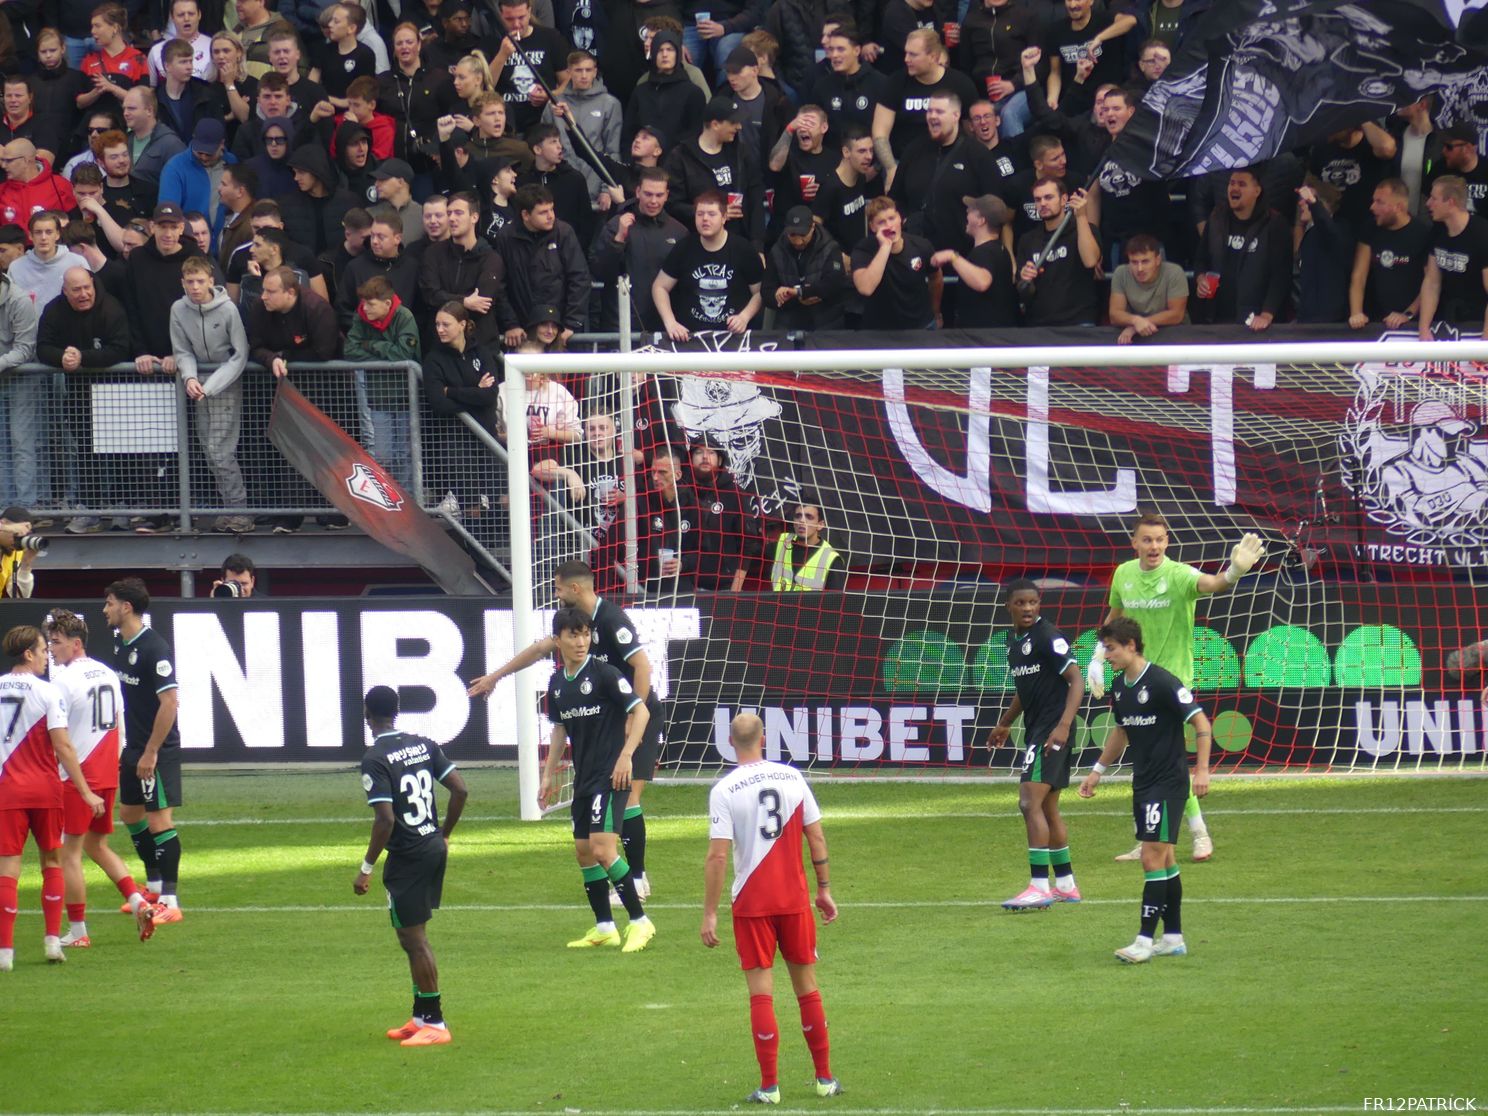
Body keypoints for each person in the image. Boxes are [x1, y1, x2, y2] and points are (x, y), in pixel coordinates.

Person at [468, 559, 667, 899]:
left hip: (638, 714)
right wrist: (495, 677)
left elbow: (642, 666)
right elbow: (539, 649)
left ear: (575, 589)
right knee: (616, 798)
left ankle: (637, 879)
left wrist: (634, 715)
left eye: (558, 588)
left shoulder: (612, 619)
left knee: (628, 795)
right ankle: (626, 878)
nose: (556, 594)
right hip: (610, 721)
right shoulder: (579, 624)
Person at [1086, 513, 1265, 863]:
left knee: (1165, 758)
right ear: (1134, 542)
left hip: (1171, 680)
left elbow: (1213, 585)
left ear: (1167, 542)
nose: (1154, 546)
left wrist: (1235, 572)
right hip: (1135, 676)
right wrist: (1096, 656)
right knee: (1148, 756)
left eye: (1160, 540)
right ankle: (1153, 834)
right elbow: (1114, 617)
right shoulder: (1124, 574)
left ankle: (1197, 834)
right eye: (1147, 540)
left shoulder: (1179, 574)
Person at [700, 709, 840, 1104]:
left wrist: (710, 913)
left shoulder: (725, 789)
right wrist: (824, 889)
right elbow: (817, 838)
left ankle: (770, 1087)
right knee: (808, 990)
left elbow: (717, 858)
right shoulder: (793, 777)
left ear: (730, 742)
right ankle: (825, 1079)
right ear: (764, 738)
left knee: (761, 994)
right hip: (794, 900)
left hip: (751, 903)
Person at [1079, 616, 1212, 964]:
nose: (1106, 656)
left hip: (1169, 782)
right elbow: (1121, 732)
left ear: (1131, 646)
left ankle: (1143, 940)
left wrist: (1201, 770)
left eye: (1111, 649)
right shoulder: (1121, 686)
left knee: (1151, 857)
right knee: (1165, 860)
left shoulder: (1163, 682)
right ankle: (1173, 938)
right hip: (1144, 782)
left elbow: (1201, 722)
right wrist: (1097, 772)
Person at [538, 605, 656, 953]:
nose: (581, 641)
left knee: (604, 850)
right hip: (585, 778)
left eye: (586, 634)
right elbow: (560, 731)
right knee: (584, 853)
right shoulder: (557, 684)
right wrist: (548, 775)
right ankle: (605, 926)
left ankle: (639, 921)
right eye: (574, 635)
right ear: (558, 640)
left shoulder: (604, 673)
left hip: (611, 775)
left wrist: (626, 755)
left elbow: (642, 710)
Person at [355, 684, 468, 1046]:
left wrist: (366, 868)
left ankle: (435, 1024)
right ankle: (421, 1016)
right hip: (432, 845)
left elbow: (385, 820)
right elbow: (461, 790)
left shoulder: (375, 758)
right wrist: (444, 834)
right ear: (397, 710)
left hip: (409, 856)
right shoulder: (424, 744)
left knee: (415, 939)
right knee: (410, 936)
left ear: (366, 714)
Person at [43, 609, 158, 948]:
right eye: (50, 642)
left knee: (69, 854)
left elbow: (56, 733)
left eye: (57, 642)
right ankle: (138, 901)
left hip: (78, 775)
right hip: (107, 771)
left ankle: (78, 932)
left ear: (76, 644)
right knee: (97, 844)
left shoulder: (62, 682)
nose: (52, 649)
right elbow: (119, 726)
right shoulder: (107, 673)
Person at [0, 624, 108, 970]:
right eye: (44, 651)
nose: (48, 657)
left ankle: (5, 951)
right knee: (51, 863)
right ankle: (51, 942)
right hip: (45, 790)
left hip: (7, 789)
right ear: (28, 653)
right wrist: (85, 790)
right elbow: (62, 746)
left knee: (8, 869)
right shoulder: (48, 693)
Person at [987, 578, 1084, 910]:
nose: (1028, 608)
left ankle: (1040, 887)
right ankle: (1067, 885)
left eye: (1033, 602)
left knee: (1029, 802)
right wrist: (1005, 722)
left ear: (1039, 604)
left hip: (1050, 731)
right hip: (1039, 728)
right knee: (1047, 806)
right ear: (1009, 606)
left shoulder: (1047, 636)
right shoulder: (1016, 643)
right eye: (1021, 603)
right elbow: (1025, 689)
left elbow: (1076, 680)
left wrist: (1063, 725)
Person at [103, 578, 185, 923]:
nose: (104, 609)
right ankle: (152, 886)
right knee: (130, 815)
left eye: (109, 603)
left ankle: (171, 901)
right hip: (134, 745)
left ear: (126, 607)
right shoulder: (121, 643)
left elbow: (170, 703)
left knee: (158, 820)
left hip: (156, 749)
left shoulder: (155, 648)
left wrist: (152, 752)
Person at [172, 255, 254, 535]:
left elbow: (239, 355)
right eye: (190, 282)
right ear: (183, 283)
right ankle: (228, 508)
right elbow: (182, 350)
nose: (195, 287)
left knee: (222, 451)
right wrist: (190, 377)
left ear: (211, 281)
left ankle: (239, 511)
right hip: (197, 384)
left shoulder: (228, 309)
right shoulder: (178, 309)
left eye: (200, 281)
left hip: (225, 383)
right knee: (209, 450)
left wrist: (211, 386)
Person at [654, 189, 763, 340]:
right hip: (691, 340)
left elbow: (760, 292)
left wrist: (744, 317)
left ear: (724, 217)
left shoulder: (743, 249)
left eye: (712, 214)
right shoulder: (684, 247)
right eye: (700, 214)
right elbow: (660, 287)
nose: (705, 219)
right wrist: (670, 322)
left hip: (733, 341)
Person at [589, 165, 686, 332]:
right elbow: (600, 272)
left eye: (659, 195)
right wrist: (619, 239)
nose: (653, 201)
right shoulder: (615, 225)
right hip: (621, 325)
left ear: (667, 196)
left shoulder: (679, 232)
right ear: (638, 191)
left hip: (664, 326)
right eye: (648, 194)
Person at [1191, 168, 1291, 331]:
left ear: (1257, 191)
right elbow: (1201, 260)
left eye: (1242, 184)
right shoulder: (1217, 217)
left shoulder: (1275, 223)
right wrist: (1201, 279)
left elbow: (1281, 276)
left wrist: (1267, 314)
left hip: (1256, 321)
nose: (1235, 188)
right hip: (1217, 318)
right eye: (1232, 183)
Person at [345, 274, 420, 490]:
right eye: (364, 303)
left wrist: (371, 345)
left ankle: (407, 501)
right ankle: (388, 498)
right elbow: (351, 351)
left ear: (387, 303)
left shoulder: (404, 316)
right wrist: (386, 351)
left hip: (406, 396)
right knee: (383, 455)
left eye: (371, 304)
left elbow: (404, 353)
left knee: (405, 454)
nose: (365, 308)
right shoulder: (360, 317)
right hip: (378, 397)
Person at [492, 184, 590, 346]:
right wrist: (511, 324)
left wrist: (571, 323)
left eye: (551, 209)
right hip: (522, 332)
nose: (550, 216)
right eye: (543, 212)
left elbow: (579, 278)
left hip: (560, 330)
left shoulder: (564, 233)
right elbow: (499, 285)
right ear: (525, 215)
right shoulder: (506, 237)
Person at [1349, 178, 1431, 330]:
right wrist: (1356, 313)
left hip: (1412, 322)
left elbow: (1431, 282)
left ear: (1398, 207)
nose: (1372, 207)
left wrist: (1407, 314)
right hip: (1375, 318)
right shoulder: (1370, 228)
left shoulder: (1422, 233)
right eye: (1373, 201)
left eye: (1379, 202)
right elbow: (1359, 275)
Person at [1016, 178, 1100, 326]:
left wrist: (1081, 216)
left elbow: (1090, 261)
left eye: (1048, 197)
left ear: (1064, 199)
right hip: (1039, 324)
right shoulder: (1027, 240)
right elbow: (1022, 291)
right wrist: (1025, 279)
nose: (1042, 203)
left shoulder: (1085, 230)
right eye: (1038, 199)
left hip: (1078, 321)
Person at [851, 196, 940, 331]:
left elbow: (936, 278)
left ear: (900, 218)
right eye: (881, 222)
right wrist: (885, 247)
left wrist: (935, 312)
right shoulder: (863, 250)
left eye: (892, 218)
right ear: (872, 227)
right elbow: (865, 288)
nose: (888, 225)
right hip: (881, 331)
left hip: (921, 326)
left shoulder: (921, 245)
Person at [1416, 175, 1488, 340]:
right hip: (1448, 318)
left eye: (1434, 198)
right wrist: (1424, 328)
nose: (1428, 203)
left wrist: (1486, 338)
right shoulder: (1437, 232)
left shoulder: (1482, 235)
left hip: (1478, 321)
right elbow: (1432, 283)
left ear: (1450, 203)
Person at [931, 193, 1019, 328]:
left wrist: (952, 256)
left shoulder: (984, 252)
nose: (966, 212)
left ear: (981, 220)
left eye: (971, 210)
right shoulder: (1000, 250)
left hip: (983, 338)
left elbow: (982, 282)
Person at [689, 440, 760, 591]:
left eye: (711, 452)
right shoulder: (683, 492)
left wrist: (736, 587)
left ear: (720, 460)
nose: (705, 457)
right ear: (690, 459)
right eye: (699, 452)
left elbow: (748, 543)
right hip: (685, 586)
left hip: (723, 587)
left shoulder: (735, 494)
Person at [764, 205, 848, 330]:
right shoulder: (776, 251)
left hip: (826, 323)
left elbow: (834, 283)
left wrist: (800, 292)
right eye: (792, 235)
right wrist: (779, 295)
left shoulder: (830, 248)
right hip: (788, 323)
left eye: (803, 234)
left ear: (813, 227)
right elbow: (766, 292)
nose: (798, 241)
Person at [1108, 233, 1188, 344]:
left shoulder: (1174, 272)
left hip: (1174, 333)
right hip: (1134, 336)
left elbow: (1176, 314)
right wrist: (1136, 321)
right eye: (1134, 262)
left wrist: (1137, 326)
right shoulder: (1121, 273)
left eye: (1145, 261)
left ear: (1158, 259)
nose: (1140, 268)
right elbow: (1115, 314)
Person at [771, 493, 845, 591]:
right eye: (798, 516)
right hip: (777, 605)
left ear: (820, 525)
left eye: (809, 517)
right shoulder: (781, 542)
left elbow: (835, 602)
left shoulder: (832, 560)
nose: (802, 521)